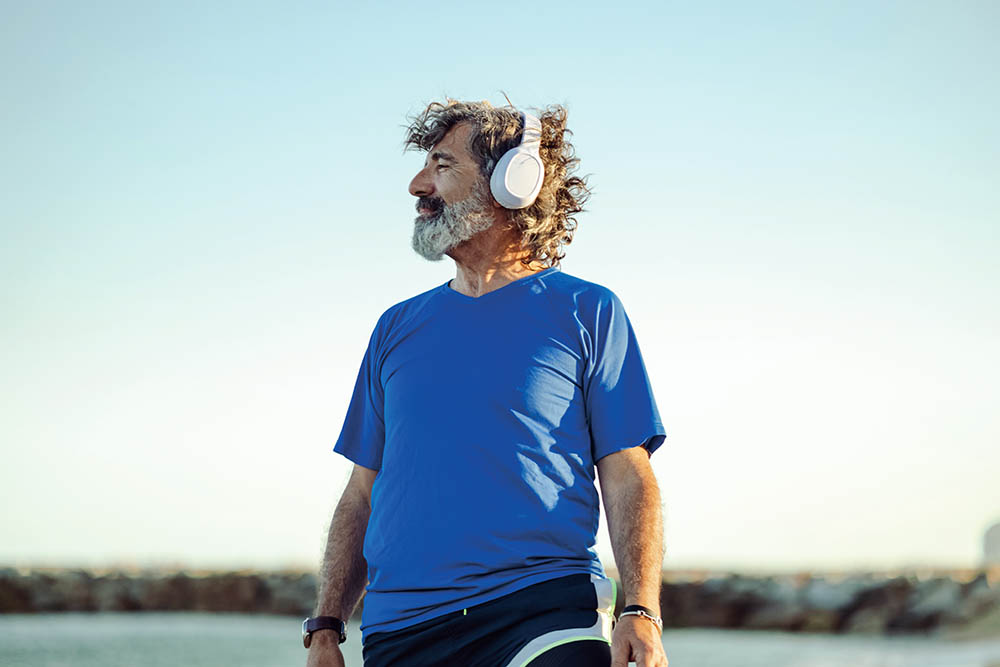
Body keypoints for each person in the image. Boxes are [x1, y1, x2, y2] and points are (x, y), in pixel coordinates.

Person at [304, 100, 669, 667]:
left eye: (441, 166)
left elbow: (627, 473)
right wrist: (326, 625)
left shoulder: (588, 311)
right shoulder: (395, 327)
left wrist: (640, 611)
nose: (416, 185)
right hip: (401, 628)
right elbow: (361, 491)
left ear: (512, 181)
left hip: (543, 610)